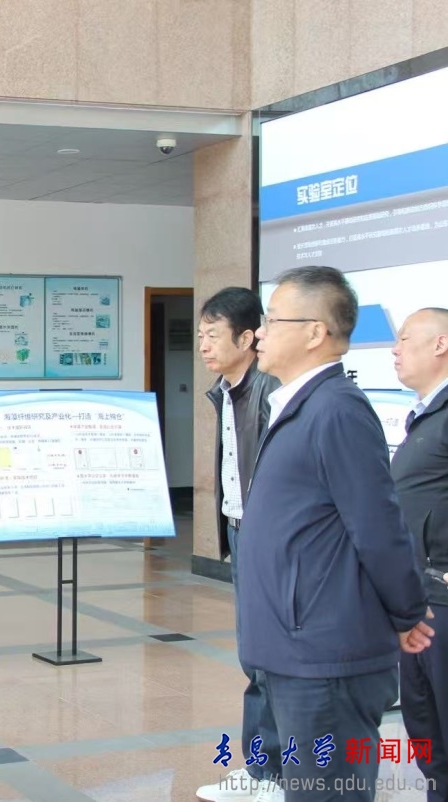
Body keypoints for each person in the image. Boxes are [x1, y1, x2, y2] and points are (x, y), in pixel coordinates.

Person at [238, 266, 432, 801]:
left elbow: (378, 525)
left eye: (273, 320)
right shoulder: (300, 405)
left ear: (314, 332)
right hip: (294, 648)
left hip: (324, 656)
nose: (259, 333)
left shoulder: (336, 409)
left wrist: (406, 612)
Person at [195, 287, 282, 802]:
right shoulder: (226, 391)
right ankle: (261, 766)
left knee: (268, 656)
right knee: (254, 654)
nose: (204, 345)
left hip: (266, 534)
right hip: (239, 526)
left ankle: (272, 772)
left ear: (247, 338)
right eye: (200, 335)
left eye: (213, 334)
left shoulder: (270, 392)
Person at [391, 307, 448, 801]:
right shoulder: (426, 415)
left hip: (444, 596)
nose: (395, 349)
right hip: (419, 596)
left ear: (440, 345)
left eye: (406, 339)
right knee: (423, 720)